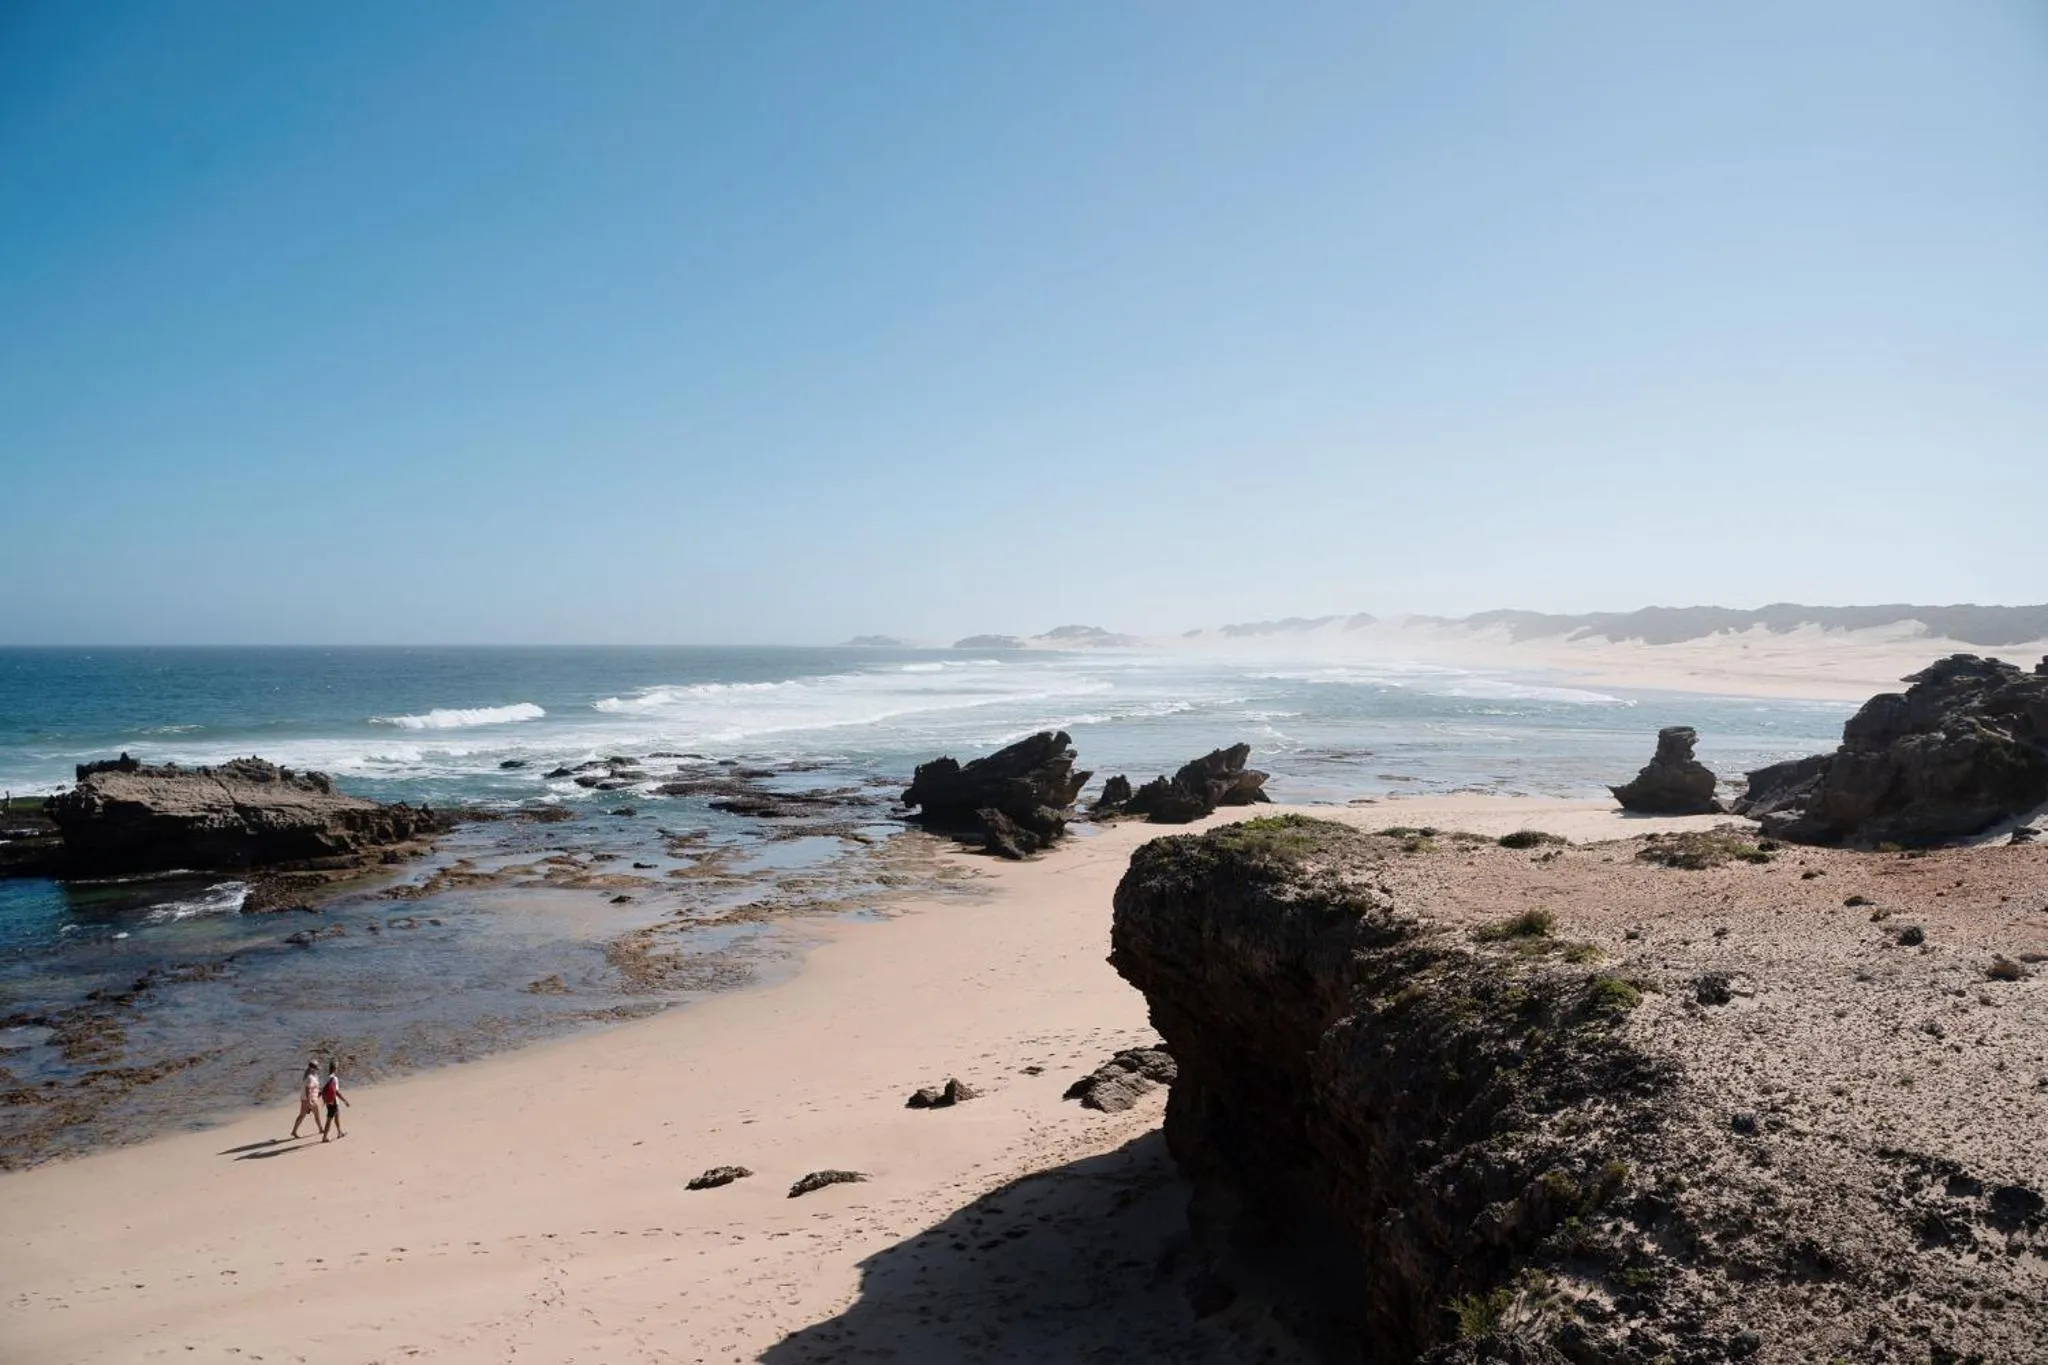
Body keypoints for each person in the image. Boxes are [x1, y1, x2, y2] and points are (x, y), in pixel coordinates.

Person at [318, 1059, 350, 1141]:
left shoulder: (325, 1077)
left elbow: (322, 1090)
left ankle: (339, 1132)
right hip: (334, 1101)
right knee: (329, 1119)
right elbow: (336, 1092)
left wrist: (318, 1097)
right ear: (335, 1068)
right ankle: (324, 1137)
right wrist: (345, 1101)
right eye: (337, 1067)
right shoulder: (334, 1078)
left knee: (337, 1116)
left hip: (328, 1101)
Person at [289, 1060, 321, 1139]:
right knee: (314, 1114)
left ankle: (294, 1131)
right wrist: (309, 1101)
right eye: (316, 1068)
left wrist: (319, 1092)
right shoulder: (310, 1077)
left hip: (310, 1098)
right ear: (312, 1068)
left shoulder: (313, 1076)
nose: (317, 1069)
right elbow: (307, 1089)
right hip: (309, 1099)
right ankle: (321, 1129)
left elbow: (314, 1087)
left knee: (304, 1115)